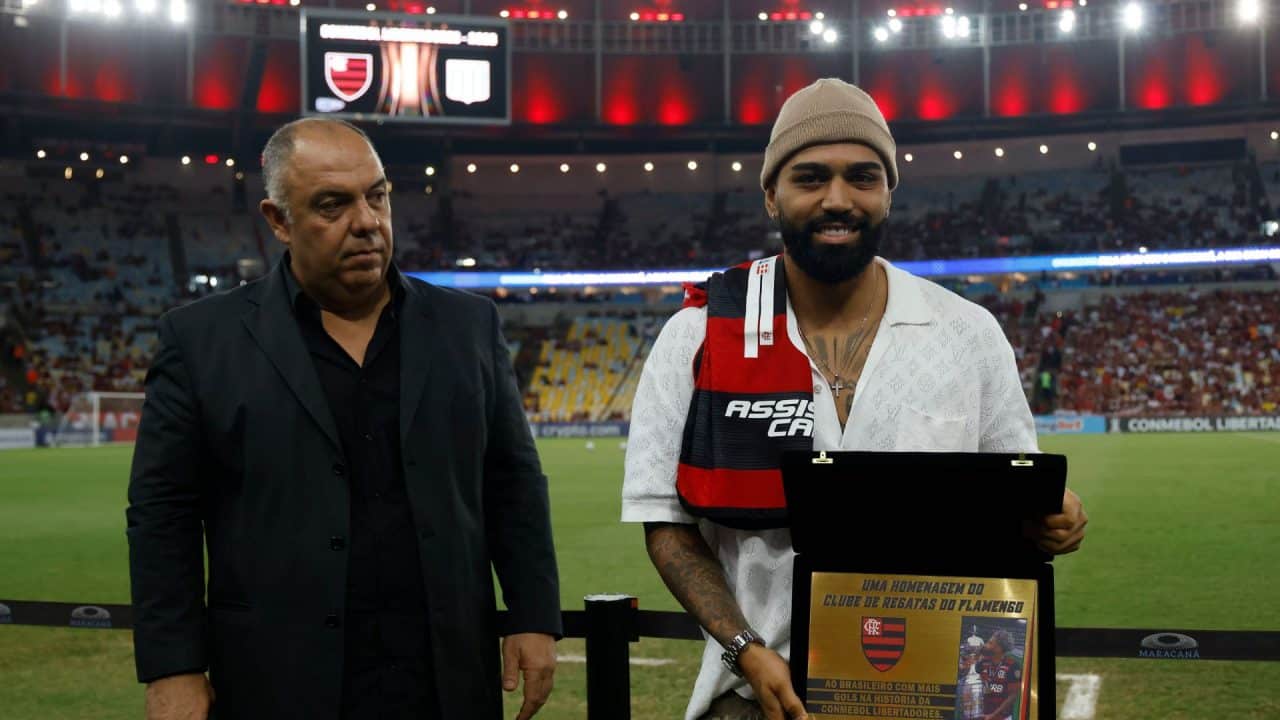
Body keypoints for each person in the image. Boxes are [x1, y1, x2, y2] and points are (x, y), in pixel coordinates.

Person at [621, 78, 1087, 720]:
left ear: (889, 192)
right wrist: (746, 651)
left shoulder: (968, 332)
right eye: (810, 178)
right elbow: (666, 526)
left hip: (938, 692)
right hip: (759, 694)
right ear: (771, 195)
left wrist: (1052, 518)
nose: (837, 200)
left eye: (863, 177)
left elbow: (1014, 501)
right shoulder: (697, 334)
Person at [127, 118, 561, 720]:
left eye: (377, 196)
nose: (367, 221)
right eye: (332, 204)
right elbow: (162, 513)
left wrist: (534, 615)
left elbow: (513, 481)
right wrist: (173, 666)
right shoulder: (201, 340)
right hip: (277, 680)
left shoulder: (468, 327)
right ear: (279, 220)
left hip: (443, 678)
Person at [974, 630, 1022, 720]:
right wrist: (980, 653)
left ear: (999, 648)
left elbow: (1013, 696)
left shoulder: (1012, 666)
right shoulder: (983, 662)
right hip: (984, 715)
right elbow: (975, 672)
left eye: (990, 643)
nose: (986, 645)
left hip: (1002, 717)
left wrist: (993, 715)